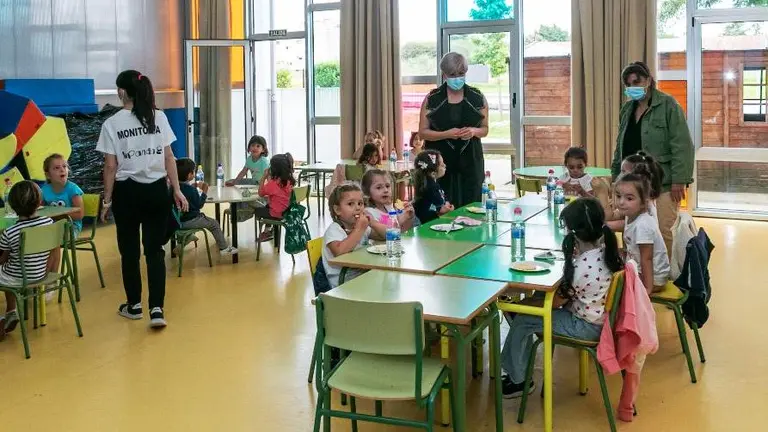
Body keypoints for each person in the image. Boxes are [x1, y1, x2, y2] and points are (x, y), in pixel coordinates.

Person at [500, 197, 623, 398]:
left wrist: (525, 303)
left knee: (523, 319)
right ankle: (519, 366)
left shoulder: (581, 267)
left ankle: (519, 380)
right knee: (530, 305)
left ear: (573, 233)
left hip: (585, 327)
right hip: (599, 320)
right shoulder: (605, 252)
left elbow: (557, 302)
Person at [96, 70, 188, 329]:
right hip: (157, 191)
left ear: (123, 92)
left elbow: (110, 167)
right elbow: (169, 157)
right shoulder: (159, 117)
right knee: (154, 251)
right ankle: (157, 309)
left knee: (129, 252)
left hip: (127, 193)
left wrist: (107, 200)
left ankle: (134, 305)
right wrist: (177, 190)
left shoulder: (112, 123)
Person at [611, 61, 694, 255]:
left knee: (664, 228)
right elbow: (620, 145)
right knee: (631, 227)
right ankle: (634, 270)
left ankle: (666, 275)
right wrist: (616, 176)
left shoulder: (668, 105)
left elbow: (682, 145)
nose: (632, 87)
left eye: (636, 81)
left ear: (648, 80)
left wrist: (679, 180)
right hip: (632, 181)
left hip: (663, 180)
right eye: (628, 84)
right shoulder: (627, 110)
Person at [419, 52, 489, 208]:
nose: (457, 77)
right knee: (441, 206)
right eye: (452, 74)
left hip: (471, 159)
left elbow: (485, 129)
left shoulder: (477, 97)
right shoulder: (432, 99)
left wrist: (473, 131)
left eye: (461, 73)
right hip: (440, 162)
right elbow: (422, 132)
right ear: (444, 74)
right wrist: (446, 134)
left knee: (472, 205)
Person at [0, 181, 55, 340]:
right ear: (39, 202)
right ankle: (11, 312)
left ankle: (8, 314)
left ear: (12, 206)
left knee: (5, 272)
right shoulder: (49, 223)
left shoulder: (10, 232)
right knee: (8, 272)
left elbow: (2, 259)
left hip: (18, 278)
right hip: (40, 275)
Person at [614, 171, 670, 293]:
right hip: (640, 268)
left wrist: (647, 289)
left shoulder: (643, 225)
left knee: (610, 282)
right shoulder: (631, 214)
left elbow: (647, 259)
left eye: (629, 198)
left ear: (643, 202)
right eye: (618, 196)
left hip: (654, 278)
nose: (621, 202)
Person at [176, 158, 237, 255]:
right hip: (190, 220)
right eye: (193, 172)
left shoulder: (175, 188)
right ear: (189, 175)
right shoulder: (191, 191)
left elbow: (185, 193)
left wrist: (192, 186)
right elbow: (199, 204)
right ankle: (224, 248)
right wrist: (204, 191)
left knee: (201, 221)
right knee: (214, 224)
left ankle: (182, 242)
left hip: (177, 221)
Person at [322, 183, 377, 289]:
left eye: (360, 203)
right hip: (343, 285)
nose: (357, 208)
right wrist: (359, 229)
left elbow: (385, 236)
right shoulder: (334, 230)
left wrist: (373, 223)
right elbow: (339, 251)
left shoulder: (359, 227)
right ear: (337, 210)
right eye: (351, 204)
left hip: (362, 277)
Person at [40, 153, 84, 272]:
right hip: (52, 228)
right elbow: (39, 210)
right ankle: (36, 277)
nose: (62, 170)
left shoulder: (73, 189)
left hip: (71, 227)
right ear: (48, 175)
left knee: (54, 242)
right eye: (56, 168)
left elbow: (79, 215)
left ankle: (51, 278)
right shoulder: (44, 190)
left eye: (64, 166)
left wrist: (58, 215)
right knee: (34, 240)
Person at [362, 169, 415, 234]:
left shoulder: (390, 208)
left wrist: (408, 218)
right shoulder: (369, 213)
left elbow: (402, 232)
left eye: (387, 186)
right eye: (379, 187)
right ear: (367, 192)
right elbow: (385, 235)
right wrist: (399, 221)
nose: (385, 190)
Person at [255, 154, 295, 242]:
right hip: (287, 212)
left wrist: (263, 177)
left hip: (277, 214)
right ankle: (268, 230)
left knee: (257, 210)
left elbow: (261, 193)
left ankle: (266, 233)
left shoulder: (273, 183)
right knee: (268, 206)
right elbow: (273, 191)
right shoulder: (289, 180)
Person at [412, 150, 453, 224]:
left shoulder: (428, 183)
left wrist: (446, 202)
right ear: (433, 173)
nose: (445, 165)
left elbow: (442, 198)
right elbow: (441, 209)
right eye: (442, 164)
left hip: (427, 222)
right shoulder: (431, 187)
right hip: (429, 224)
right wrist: (448, 208)